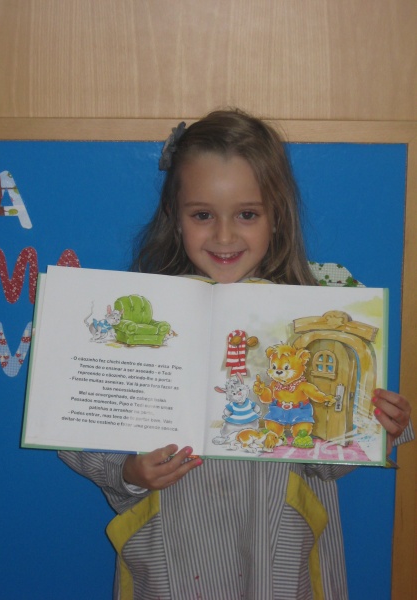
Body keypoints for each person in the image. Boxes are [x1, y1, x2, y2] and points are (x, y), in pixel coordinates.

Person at [59, 109, 413, 600]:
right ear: (175, 217)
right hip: (173, 553)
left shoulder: (308, 311)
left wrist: (375, 429)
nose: (224, 236)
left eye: (247, 214)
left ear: (276, 216)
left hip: (277, 554)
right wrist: (127, 471)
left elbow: (324, 462)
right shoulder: (138, 313)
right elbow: (79, 429)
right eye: (202, 215)